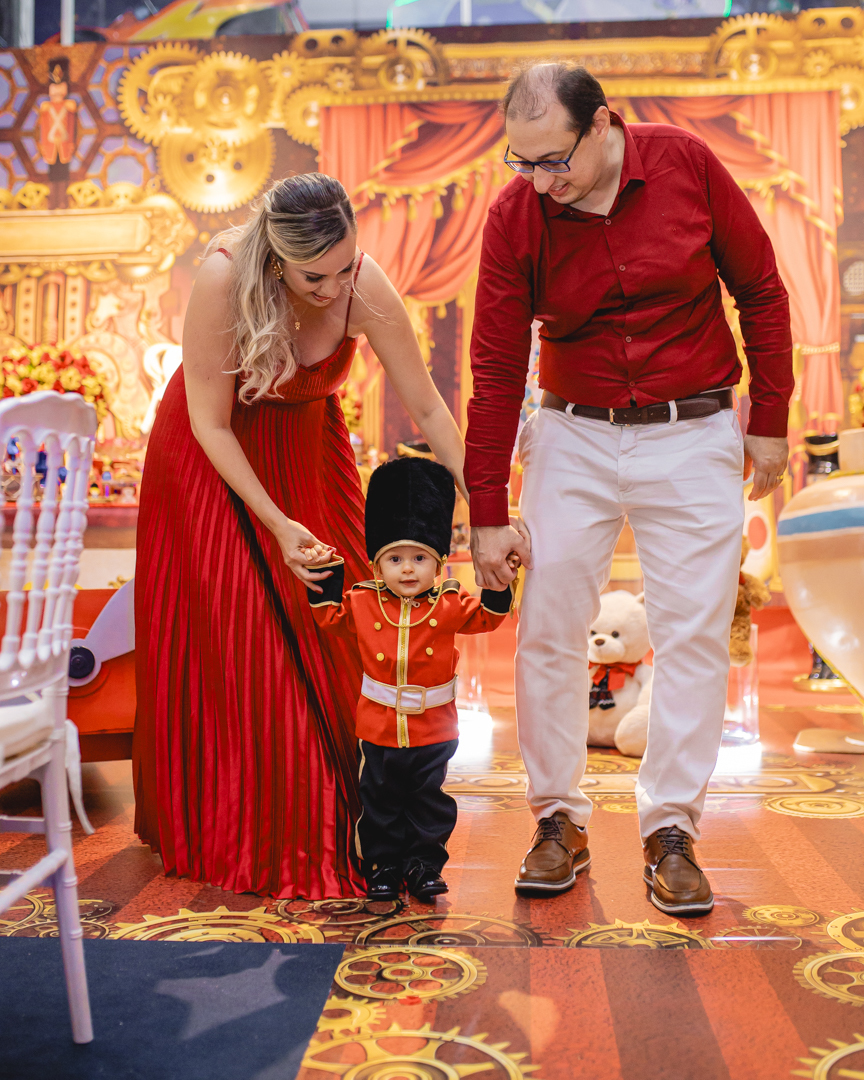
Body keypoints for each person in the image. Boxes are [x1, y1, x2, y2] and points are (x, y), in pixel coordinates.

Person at [465, 64, 793, 915]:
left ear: (604, 123)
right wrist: (488, 511)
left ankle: (671, 830)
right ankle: (557, 821)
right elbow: (495, 368)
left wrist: (770, 419)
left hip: (694, 429)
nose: (542, 181)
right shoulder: (515, 215)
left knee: (693, 637)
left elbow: (760, 290)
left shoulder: (685, 164)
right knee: (547, 630)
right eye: (523, 162)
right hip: (571, 433)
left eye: (556, 160)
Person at [134, 173, 466, 899]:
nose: (335, 288)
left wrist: (486, 501)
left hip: (309, 447)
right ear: (277, 257)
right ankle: (265, 830)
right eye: (316, 276)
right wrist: (278, 525)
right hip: (215, 460)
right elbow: (209, 422)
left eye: (346, 267)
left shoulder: (362, 285)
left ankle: (370, 824)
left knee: (346, 623)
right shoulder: (223, 279)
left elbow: (429, 408)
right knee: (247, 636)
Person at [307, 457, 512, 903]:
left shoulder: (449, 603)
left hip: (434, 727)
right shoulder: (363, 601)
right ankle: (382, 865)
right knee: (379, 800)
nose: (406, 569)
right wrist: (325, 579)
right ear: (376, 566)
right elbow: (330, 619)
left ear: (439, 565)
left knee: (427, 800)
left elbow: (488, 618)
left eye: (419, 558)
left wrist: (500, 581)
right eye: (395, 559)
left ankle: (423, 865)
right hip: (378, 727)